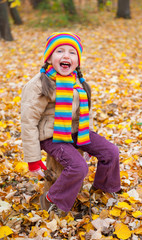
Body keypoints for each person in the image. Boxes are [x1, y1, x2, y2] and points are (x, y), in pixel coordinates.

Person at [21, 32, 121, 215]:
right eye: (60, 51)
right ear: (50, 57)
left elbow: (86, 111)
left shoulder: (77, 81)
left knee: (111, 152)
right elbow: (28, 121)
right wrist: (33, 159)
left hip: (77, 131)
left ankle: (103, 188)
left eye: (72, 52)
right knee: (78, 167)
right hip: (52, 135)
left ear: (77, 60)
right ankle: (53, 199)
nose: (66, 55)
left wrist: (87, 139)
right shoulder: (40, 84)